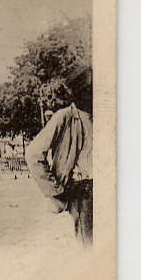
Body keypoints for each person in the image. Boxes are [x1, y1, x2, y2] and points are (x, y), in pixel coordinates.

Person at [25, 102, 92, 245]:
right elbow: (33, 154)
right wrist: (56, 190)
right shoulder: (66, 117)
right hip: (84, 193)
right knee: (91, 249)